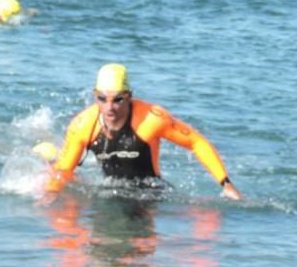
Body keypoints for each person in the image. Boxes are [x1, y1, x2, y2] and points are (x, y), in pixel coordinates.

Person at [42, 63, 242, 200]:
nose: (109, 107)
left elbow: (196, 142)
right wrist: (50, 196)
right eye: (102, 99)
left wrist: (226, 184)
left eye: (118, 100)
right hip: (109, 193)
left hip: (151, 193)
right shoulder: (82, 125)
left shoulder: (152, 119)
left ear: (129, 96)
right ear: (95, 96)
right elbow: (64, 172)